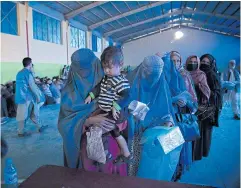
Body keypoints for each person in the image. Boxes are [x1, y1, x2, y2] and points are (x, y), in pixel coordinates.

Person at [58, 48, 127, 176]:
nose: (84, 74)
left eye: (87, 68)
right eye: (79, 69)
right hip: (83, 151)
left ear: (95, 64)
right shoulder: (68, 93)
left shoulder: (109, 83)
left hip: (110, 145)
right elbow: (63, 124)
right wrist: (88, 121)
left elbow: (124, 111)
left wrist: (115, 124)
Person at [126, 55, 182, 181]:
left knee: (156, 168)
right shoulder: (130, 82)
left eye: (156, 77)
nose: (152, 80)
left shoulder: (162, 84)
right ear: (143, 69)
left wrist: (168, 122)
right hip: (134, 135)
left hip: (156, 137)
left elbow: (167, 109)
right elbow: (123, 105)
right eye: (149, 75)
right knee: (134, 167)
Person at [85, 47, 131, 163]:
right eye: (104, 67)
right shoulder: (106, 78)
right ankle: (125, 153)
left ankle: (103, 154)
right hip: (106, 110)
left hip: (115, 113)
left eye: (109, 67)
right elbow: (98, 88)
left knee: (100, 129)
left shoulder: (121, 81)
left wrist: (116, 106)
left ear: (120, 64)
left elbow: (126, 97)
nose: (106, 71)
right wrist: (91, 95)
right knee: (114, 133)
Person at [170, 51, 198, 181]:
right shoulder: (164, 75)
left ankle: (179, 169)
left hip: (182, 113)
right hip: (169, 114)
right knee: (171, 143)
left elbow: (191, 94)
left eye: (177, 61)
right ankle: (171, 169)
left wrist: (187, 101)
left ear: (181, 62)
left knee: (181, 142)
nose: (175, 63)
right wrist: (173, 100)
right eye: (172, 60)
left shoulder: (185, 75)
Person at [185, 55, 212, 161]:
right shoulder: (183, 73)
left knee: (194, 130)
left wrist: (199, 86)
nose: (192, 63)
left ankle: (194, 155)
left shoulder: (201, 74)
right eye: (190, 61)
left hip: (197, 107)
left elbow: (207, 91)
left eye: (195, 61)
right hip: (184, 107)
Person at [15, 57, 47, 137]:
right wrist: (38, 96)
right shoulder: (27, 73)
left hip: (21, 96)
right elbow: (32, 86)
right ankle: (21, 132)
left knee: (32, 112)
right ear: (30, 63)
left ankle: (40, 126)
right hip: (27, 97)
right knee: (23, 115)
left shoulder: (19, 73)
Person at [200, 54, 222, 126]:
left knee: (206, 134)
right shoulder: (198, 73)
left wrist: (205, 91)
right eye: (203, 61)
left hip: (208, 111)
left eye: (207, 63)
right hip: (198, 109)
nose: (205, 64)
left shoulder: (212, 75)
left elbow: (217, 94)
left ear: (212, 64)